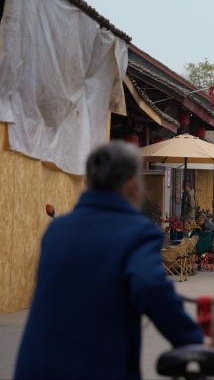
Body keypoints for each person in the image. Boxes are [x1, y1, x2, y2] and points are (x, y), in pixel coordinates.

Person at [14, 142, 204, 379]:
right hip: (95, 367)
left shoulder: (56, 230)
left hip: (34, 366)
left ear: (88, 183)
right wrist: (192, 340)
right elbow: (151, 286)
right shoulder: (137, 232)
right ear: (133, 184)